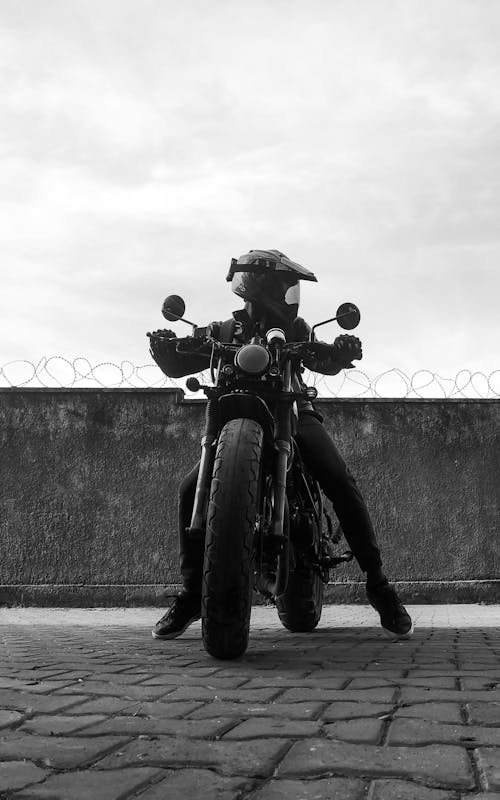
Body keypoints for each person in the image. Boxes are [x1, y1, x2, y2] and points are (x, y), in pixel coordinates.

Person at [149, 249, 413, 641]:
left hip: (293, 414)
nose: (291, 296)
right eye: (287, 286)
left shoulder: (298, 328)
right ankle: (192, 593)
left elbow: (324, 360)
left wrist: (339, 352)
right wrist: (166, 348)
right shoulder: (222, 331)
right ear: (263, 286)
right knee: (190, 489)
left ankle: (379, 585)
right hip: (234, 414)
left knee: (338, 478)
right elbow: (179, 365)